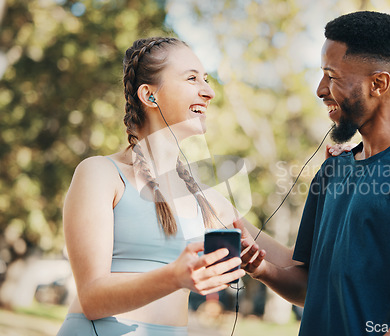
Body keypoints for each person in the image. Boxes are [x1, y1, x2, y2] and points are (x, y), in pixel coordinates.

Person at [237, 11, 390, 336]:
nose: (319, 89)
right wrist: (261, 267)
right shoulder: (334, 168)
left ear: (378, 84)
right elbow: (309, 286)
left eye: (332, 75)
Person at [56, 37, 252, 336]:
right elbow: (92, 298)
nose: (209, 91)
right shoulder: (100, 173)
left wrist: (341, 166)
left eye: (207, 79)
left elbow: (295, 270)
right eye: (191, 78)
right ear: (149, 95)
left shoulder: (210, 201)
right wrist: (174, 277)